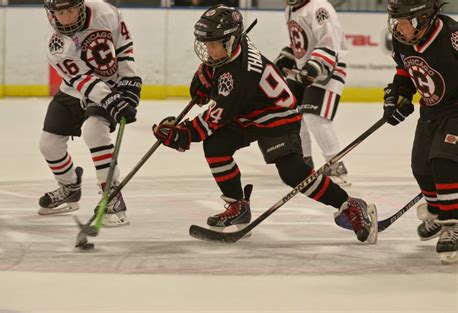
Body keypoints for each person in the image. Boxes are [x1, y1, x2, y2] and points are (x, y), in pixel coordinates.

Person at [152, 5, 378, 243]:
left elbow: (212, 120)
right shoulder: (231, 51)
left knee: (293, 174)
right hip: (248, 112)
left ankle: (350, 205)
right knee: (216, 146)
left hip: (278, 116)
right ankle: (237, 206)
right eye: (207, 44)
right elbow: (215, 69)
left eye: (213, 44)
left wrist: (182, 134)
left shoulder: (240, 75)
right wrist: (204, 78)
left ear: (230, 41)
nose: (208, 50)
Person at [39, 0, 142, 227]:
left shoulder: (104, 12)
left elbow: (124, 47)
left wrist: (129, 82)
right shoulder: (56, 45)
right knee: (49, 144)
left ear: (81, 5)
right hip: (74, 89)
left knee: (94, 131)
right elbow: (83, 80)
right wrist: (111, 100)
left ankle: (112, 195)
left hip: (111, 84)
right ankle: (70, 187)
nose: (66, 17)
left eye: (70, 10)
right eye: (60, 12)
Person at [384, 0, 458, 263]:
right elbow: (405, 73)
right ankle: (439, 213)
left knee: (443, 160)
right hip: (431, 112)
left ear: (423, 17)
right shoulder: (403, 40)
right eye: (396, 21)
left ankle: (453, 224)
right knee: (421, 166)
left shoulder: (452, 36)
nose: (398, 28)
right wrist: (398, 96)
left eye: (404, 21)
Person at [273, 0, 351, 187]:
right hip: (306, 69)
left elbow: (329, 42)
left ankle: (335, 164)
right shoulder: (290, 10)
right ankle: (304, 162)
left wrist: (315, 66)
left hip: (329, 69)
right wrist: (288, 57)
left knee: (314, 118)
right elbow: (301, 43)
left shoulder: (319, 8)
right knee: (291, 112)